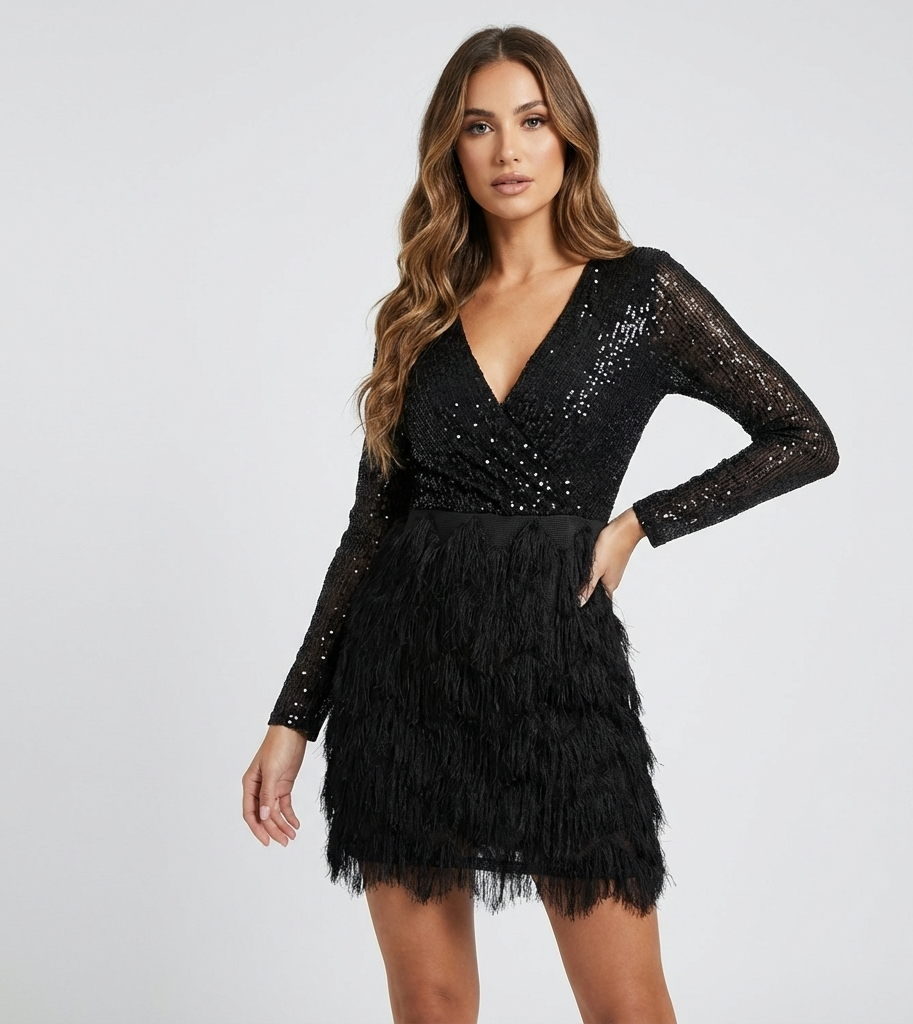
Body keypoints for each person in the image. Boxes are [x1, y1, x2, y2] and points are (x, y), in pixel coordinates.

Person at [242, 25, 838, 1024]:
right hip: (405, 682)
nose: (508, 150)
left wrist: (640, 523)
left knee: (628, 1007)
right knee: (431, 1004)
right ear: (451, 149)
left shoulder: (642, 293)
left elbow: (802, 436)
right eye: (479, 127)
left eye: (531, 120)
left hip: (559, 676)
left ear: (570, 137)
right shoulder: (419, 313)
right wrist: (292, 718)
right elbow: (369, 531)